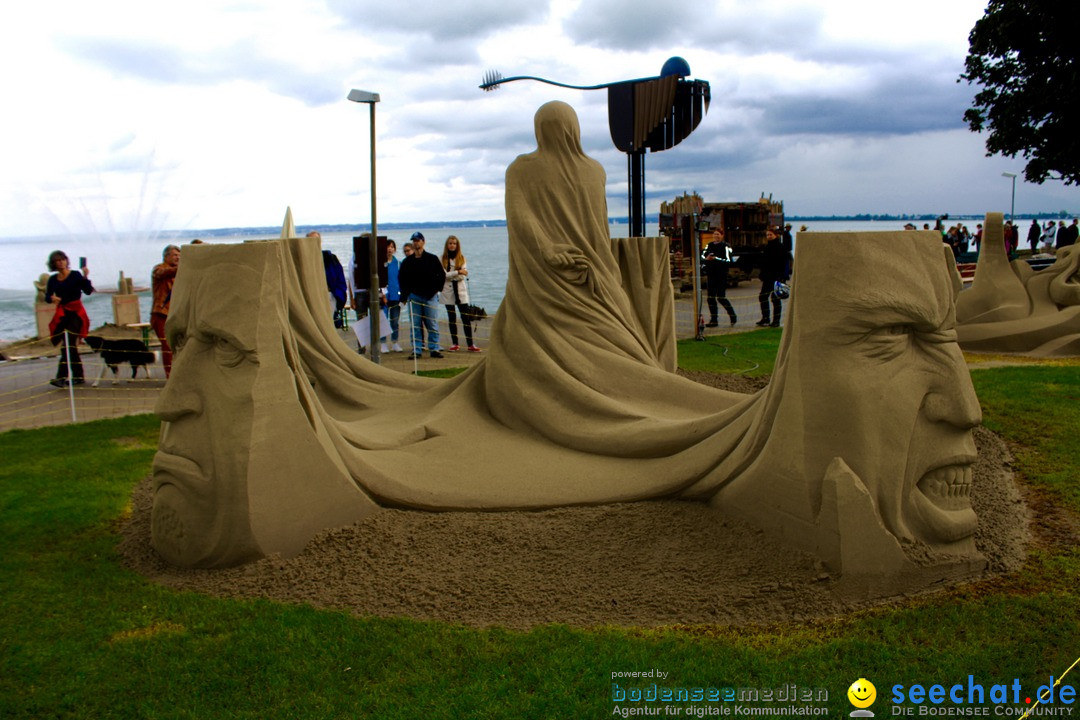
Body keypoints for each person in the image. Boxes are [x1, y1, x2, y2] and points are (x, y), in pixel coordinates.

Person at [44, 250, 94, 387]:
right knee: (68, 347)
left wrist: (85, 275)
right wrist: (52, 298)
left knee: (68, 345)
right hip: (63, 314)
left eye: (62, 259)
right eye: (57, 261)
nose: (60, 262)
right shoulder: (53, 279)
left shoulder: (75, 275)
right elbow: (47, 297)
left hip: (76, 314)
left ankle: (61, 377)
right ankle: (78, 376)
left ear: (66, 261)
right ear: (53, 264)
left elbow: (88, 291)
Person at [397, 231, 445, 358]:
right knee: (415, 325)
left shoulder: (432, 259)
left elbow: (441, 275)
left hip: (430, 296)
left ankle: (434, 348)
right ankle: (416, 350)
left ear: (423, 241)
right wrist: (404, 296)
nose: (416, 242)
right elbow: (402, 279)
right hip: (414, 296)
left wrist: (437, 290)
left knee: (432, 324)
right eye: (414, 240)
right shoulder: (407, 262)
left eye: (418, 240)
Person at [439, 235, 479, 351]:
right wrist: (458, 271)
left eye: (454, 243)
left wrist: (455, 274)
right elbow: (443, 275)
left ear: (457, 245)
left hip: (460, 291)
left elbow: (463, 275)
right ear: (447, 245)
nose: (452, 245)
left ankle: (470, 344)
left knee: (465, 317)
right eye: (450, 243)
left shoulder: (462, 258)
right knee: (452, 317)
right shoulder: (441, 259)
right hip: (448, 291)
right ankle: (455, 343)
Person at [151, 245, 181, 378]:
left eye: (180, 256)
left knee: (178, 345)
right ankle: (170, 376)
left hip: (174, 313)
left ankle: (177, 374)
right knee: (167, 345)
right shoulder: (159, 269)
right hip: (161, 313)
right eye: (175, 255)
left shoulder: (178, 272)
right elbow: (163, 273)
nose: (178, 258)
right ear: (166, 256)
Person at [700, 229, 737, 327]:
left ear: (722, 235)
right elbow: (702, 256)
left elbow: (729, 260)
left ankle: (732, 315)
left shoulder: (725, 246)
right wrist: (706, 259)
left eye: (718, 234)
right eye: (715, 234)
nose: (716, 236)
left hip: (721, 274)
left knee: (721, 297)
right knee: (710, 298)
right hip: (711, 274)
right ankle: (714, 320)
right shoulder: (709, 245)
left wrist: (716, 258)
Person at [756, 229, 790, 327]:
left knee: (775, 298)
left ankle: (776, 321)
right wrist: (761, 273)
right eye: (767, 235)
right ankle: (765, 318)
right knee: (763, 296)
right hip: (767, 277)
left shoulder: (780, 247)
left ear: (776, 235)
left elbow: (785, 262)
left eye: (770, 234)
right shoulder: (767, 247)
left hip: (777, 277)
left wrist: (783, 277)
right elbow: (764, 262)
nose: (769, 236)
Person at [380, 239, 403, 353]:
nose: (390, 249)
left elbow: (401, 280)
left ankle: (395, 342)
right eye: (388, 246)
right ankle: (383, 343)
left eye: (392, 247)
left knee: (394, 321)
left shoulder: (398, 263)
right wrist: (382, 295)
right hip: (384, 296)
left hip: (395, 296)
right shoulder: (381, 263)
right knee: (383, 320)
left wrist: (402, 297)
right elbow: (379, 280)